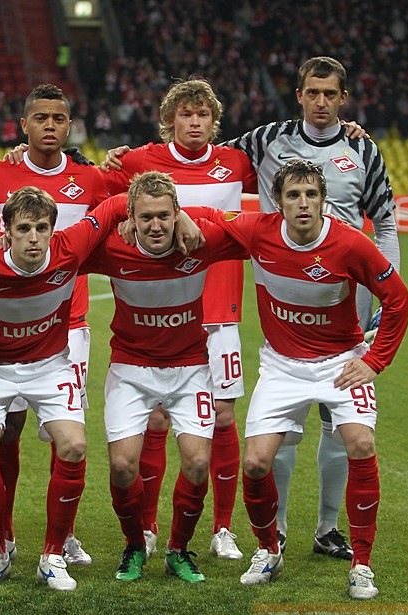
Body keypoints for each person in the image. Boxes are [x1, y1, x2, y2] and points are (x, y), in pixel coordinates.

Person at [0, 186, 191, 591]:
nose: (34, 238)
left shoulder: (69, 248)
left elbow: (120, 202)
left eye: (42, 228)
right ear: (6, 232)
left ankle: (53, 556)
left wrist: (183, 216)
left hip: (49, 366)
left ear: (53, 230)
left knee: (73, 445)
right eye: (24, 229)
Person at [200, 160, 408, 598]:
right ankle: (268, 550)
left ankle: (362, 565)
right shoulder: (258, 231)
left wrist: (374, 362)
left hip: (341, 362)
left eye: (311, 194)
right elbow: (211, 216)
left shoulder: (350, 243)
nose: (303, 203)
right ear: (278, 202)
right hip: (282, 365)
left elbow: (398, 300)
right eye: (293, 195)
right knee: (255, 463)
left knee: (361, 443)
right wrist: (166, 215)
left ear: (323, 200)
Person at [224, 57, 401, 560]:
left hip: (349, 298)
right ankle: (277, 529)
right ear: (298, 95)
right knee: (282, 424)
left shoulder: (362, 147)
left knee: (339, 421)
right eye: (312, 92)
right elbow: (205, 160)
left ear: (343, 98)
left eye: (330, 94)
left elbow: (385, 221)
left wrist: (383, 296)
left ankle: (327, 528)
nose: (321, 102)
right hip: (287, 294)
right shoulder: (267, 139)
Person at [0, 83, 109, 566]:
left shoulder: (90, 177)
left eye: (58, 119)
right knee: (9, 428)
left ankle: (66, 536)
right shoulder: (0, 174)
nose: (50, 126)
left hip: (69, 325)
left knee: (68, 434)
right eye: (41, 118)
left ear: (70, 125)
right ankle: (5, 534)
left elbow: (120, 216)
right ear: (24, 125)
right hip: (8, 325)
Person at [101, 78, 258, 561]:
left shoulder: (237, 163)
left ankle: (223, 528)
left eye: (202, 114)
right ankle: (148, 527)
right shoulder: (137, 161)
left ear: (215, 121)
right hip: (162, 306)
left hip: (220, 308)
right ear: (168, 120)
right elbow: (101, 198)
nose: (194, 122)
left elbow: (289, 173)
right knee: (154, 417)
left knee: (224, 417)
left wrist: (348, 133)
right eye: (185, 114)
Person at [81, 171, 250, 583]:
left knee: (198, 462)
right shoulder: (112, 247)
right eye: (145, 217)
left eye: (163, 216)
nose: (155, 226)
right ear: (131, 218)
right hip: (131, 368)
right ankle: (135, 545)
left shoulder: (202, 241)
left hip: (190, 368)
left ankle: (178, 549)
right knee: (122, 466)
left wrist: (192, 215)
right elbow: (60, 250)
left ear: (176, 214)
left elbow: (261, 231)